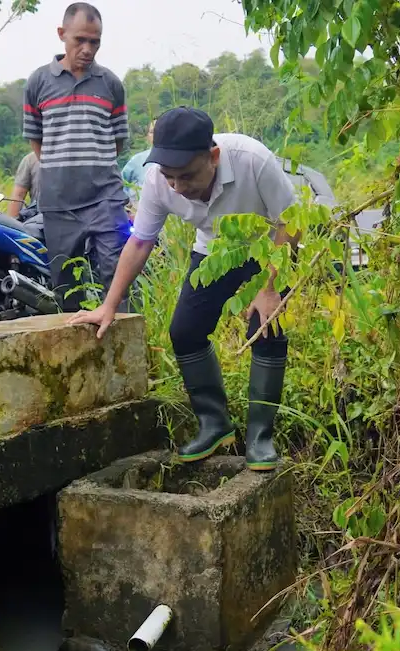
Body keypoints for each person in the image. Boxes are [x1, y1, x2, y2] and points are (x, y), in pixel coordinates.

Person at [68, 107, 299, 472]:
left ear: (213, 157)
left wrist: (269, 288)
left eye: (187, 175)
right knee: (185, 331)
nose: (177, 186)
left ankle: (260, 437)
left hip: (270, 248)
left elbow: (291, 222)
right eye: (169, 176)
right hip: (214, 252)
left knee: (265, 327)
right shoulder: (158, 181)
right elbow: (140, 242)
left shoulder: (252, 159)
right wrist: (108, 304)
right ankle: (215, 425)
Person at [23, 2, 131, 311]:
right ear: (62, 34)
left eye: (94, 41)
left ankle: (124, 350)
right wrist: (61, 171)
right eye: (79, 40)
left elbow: (117, 141)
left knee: (118, 277)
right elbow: (37, 140)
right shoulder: (38, 83)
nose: (87, 48)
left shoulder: (110, 84)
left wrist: (94, 168)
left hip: (105, 199)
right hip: (58, 203)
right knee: (67, 287)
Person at [121, 120, 156, 202]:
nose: (157, 135)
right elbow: (121, 183)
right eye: (152, 132)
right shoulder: (137, 160)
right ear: (147, 137)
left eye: (161, 131)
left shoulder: (178, 159)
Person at [8, 151, 41, 220]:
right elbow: (18, 196)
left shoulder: (31, 159)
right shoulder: (31, 159)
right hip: (39, 218)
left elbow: (18, 195)